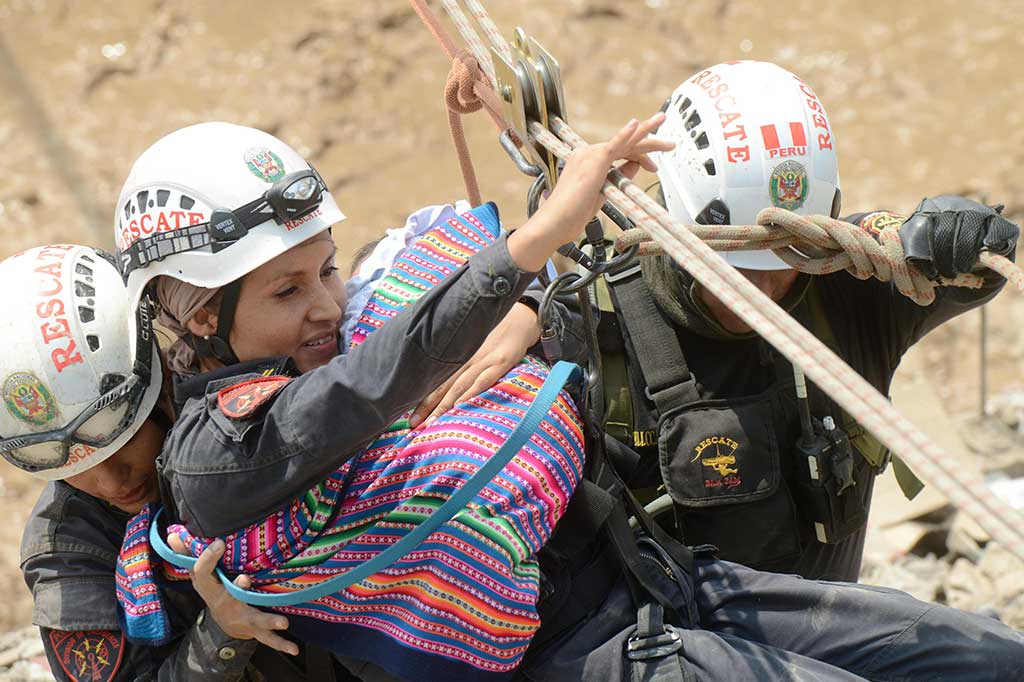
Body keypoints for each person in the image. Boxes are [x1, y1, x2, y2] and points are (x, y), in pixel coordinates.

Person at [110, 118, 666, 680]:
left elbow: (425, 298)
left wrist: (527, 310)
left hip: (624, 583)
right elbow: (365, 385)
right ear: (203, 316)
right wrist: (539, 236)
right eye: (287, 291)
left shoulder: (350, 322)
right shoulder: (213, 453)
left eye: (327, 269)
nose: (328, 305)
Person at [592, 59, 1020, 581]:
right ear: (682, 225)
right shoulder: (601, 324)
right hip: (681, 652)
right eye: (743, 267)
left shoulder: (850, 281)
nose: (768, 291)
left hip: (835, 640)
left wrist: (954, 236)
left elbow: (981, 269)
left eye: (790, 261)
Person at [4, 244, 349, 681]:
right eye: (72, 468)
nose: (109, 481)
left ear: (162, 382)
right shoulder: (68, 552)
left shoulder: (234, 390)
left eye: (118, 444)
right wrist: (221, 633)